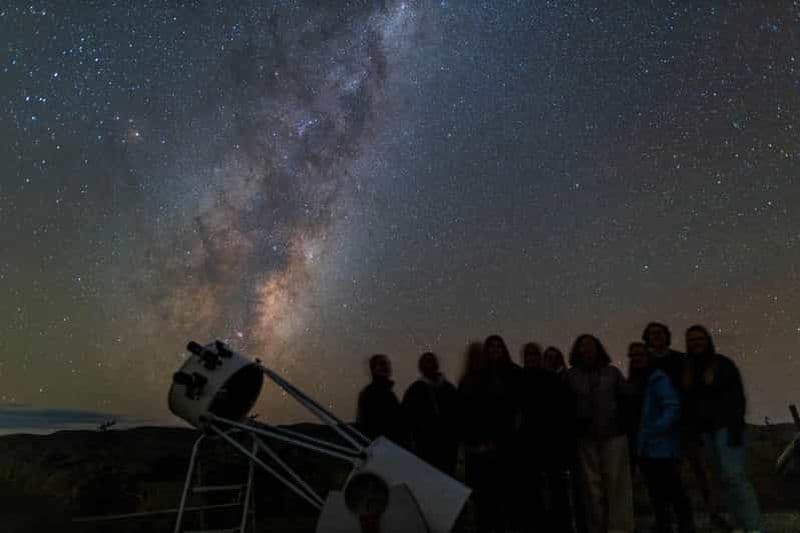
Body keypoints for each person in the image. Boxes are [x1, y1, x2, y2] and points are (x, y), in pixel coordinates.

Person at [643, 322, 723, 528]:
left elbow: (692, 387)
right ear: (647, 339)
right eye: (652, 334)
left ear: (666, 336)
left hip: (686, 424)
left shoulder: (681, 359)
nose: (656, 337)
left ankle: (714, 513)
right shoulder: (646, 363)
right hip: (660, 429)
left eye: (660, 333)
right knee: (669, 477)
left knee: (699, 470)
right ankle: (669, 518)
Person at [684, 325, 761, 533]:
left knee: (735, 477)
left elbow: (737, 398)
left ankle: (753, 527)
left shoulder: (723, 364)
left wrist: (735, 429)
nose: (695, 343)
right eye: (691, 340)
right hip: (706, 434)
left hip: (727, 429)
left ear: (707, 340)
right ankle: (739, 525)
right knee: (722, 480)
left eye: (699, 339)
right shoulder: (689, 370)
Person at [566, 334, 634, 533]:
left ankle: (619, 529)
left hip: (613, 435)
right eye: (582, 346)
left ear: (598, 349)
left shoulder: (612, 373)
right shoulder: (571, 376)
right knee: (592, 488)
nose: (586, 349)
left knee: (616, 486)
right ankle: (596, 527)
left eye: (590, 345)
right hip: (585, 438)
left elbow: (627, 396)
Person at [632, 341, 696, 533]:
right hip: (645, 446)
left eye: (640, 354)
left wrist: (657, 428)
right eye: (633, 355)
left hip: (662, 445)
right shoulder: (637, 381)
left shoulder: (658, 378)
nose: (636, 358)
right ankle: (663, 524)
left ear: (648, 357)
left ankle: (685, 524)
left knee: (673, 488)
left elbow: (672, 406)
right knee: (655, 490)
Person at [519, 341, 577, 533]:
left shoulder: (552, 380)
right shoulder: (518, 380)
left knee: (557, 491)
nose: (532, 358)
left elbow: (565, 411)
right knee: (533, 491)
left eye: (535, 354)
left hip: (552, 445)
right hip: (528, 445)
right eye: (528, 355)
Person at [458, 341, 503, 533]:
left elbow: (499, 411)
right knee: (479, 494)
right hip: (474, 449)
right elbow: (461, 415)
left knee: (493, 494)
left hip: (490, 447)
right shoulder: (465, 382)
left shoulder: (492, 379)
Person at [402, 352, 460, 476]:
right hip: (425, 449)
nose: (429, 365)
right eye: (426, 362)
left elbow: (458, 416)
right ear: (421, 367)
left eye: (431, 361)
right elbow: (406, 421)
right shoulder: (414, 391)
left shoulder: (449, 389)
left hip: (448, 448)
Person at [356, 354, 408, 445]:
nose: (387, 367)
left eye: (388, 364)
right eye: (382, 364)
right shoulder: (370, 393)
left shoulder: (388, 392)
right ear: (373, 369)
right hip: (384, 445)